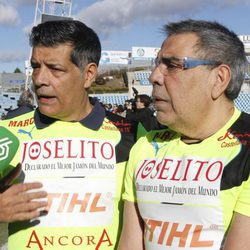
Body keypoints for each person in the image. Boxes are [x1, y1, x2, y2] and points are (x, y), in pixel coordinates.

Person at [0, 20, 136, 250]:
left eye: (55, 69)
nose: (40, 79)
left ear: (89, 74)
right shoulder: (7, 132)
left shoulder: (131, 136)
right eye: (35, 66)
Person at [118, 19, 250, 250]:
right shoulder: (146, 146)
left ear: (219, 79)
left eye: (172, 65)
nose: (154, 76)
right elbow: (130, 243)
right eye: (157, 64)